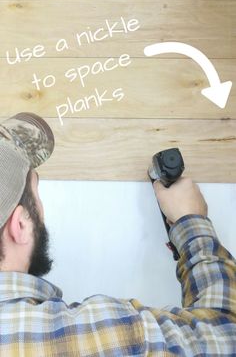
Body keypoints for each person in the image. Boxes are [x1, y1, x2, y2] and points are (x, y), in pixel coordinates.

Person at [0, 112, 235, 357]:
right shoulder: (103, 337)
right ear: (21, 226)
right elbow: (227, 334)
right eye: (36, 190)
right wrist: (193, 225)